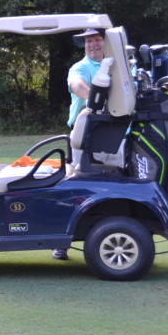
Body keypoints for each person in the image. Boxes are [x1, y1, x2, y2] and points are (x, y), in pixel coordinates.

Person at [52, 28, 105, 260]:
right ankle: (61, 242)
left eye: (97, 39)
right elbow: (78, 86)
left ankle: (105, 232)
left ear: (105, 42)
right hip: (83, 135)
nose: (93, 44)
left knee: (109, 186)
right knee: (75, 186)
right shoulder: (80, 67)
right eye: (89, 41)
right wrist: (101, 101)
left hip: (116, 134)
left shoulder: (118, 66)